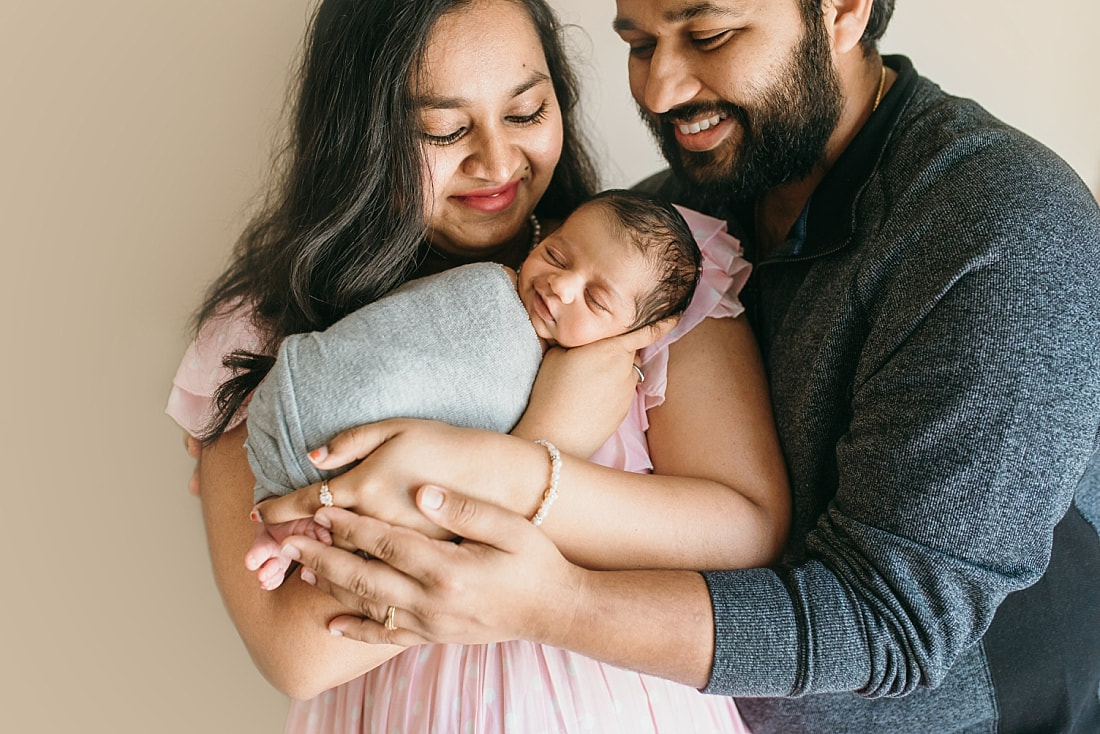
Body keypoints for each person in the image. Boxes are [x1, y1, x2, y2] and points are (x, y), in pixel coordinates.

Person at [259, 0, 1100, 732]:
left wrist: (551, 601)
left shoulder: (998, 228)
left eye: (708, 33)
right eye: (637, 43)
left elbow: (893, 624)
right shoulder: (669, 224)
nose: (659, 92)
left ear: (842, 8)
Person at [167, 0, 787, 732]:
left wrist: (496, 486)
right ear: (359, 135)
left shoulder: (640, 270)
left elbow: (742, 529)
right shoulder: (262, 330)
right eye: (444, 130)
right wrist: (539, 441)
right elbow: (299, 649)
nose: (496, 163)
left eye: (526, 113)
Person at [245, 189, 702, 589]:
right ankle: (285, 515)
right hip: (299, 399)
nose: (560, 286)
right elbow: (391, 336)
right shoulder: (488, 287)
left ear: (634, 334)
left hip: (342, 478)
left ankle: (288, 536)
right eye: (557, 256)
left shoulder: (597, 384)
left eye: (596, 300)